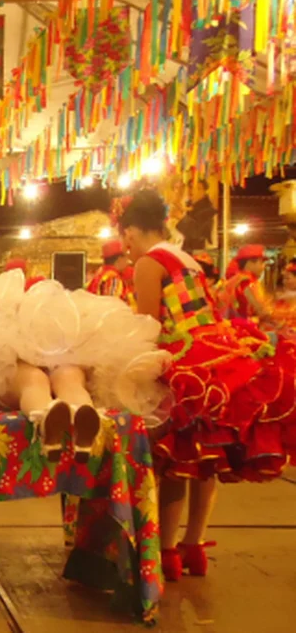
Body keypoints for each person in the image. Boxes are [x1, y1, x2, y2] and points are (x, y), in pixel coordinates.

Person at [117, 190, 296, 581]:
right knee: (206, 462)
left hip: (186, 361)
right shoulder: (188, 260)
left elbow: (147, 326)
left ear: (131, 231)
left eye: (125, 239)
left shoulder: (150, 262)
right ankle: (194, 546)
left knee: (175, 463)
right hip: (221, 353)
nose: (125, 249)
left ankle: (166, 553)